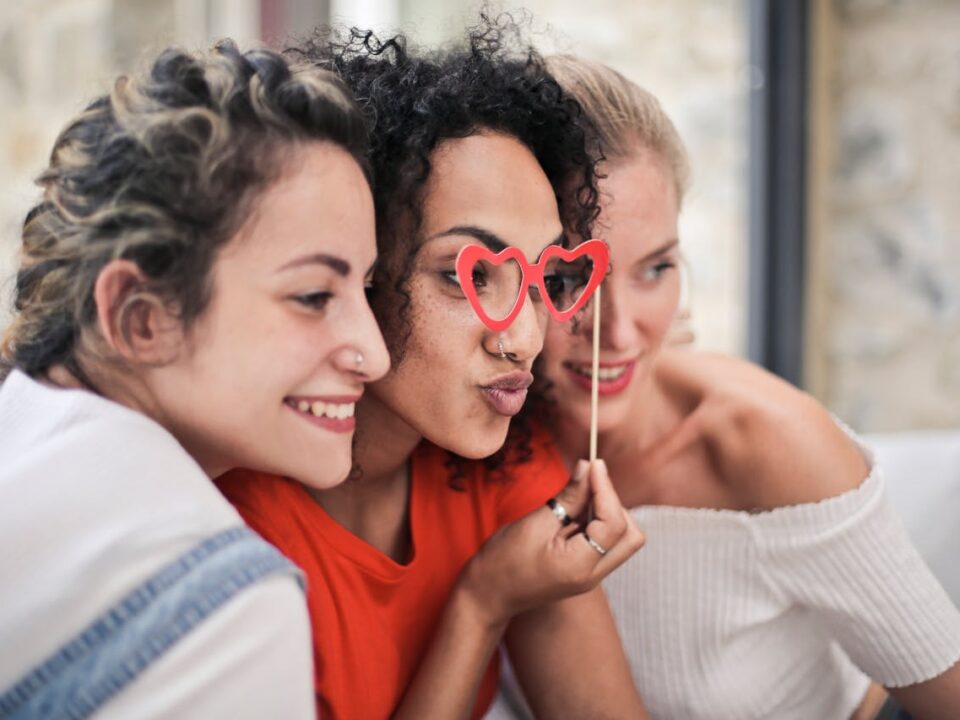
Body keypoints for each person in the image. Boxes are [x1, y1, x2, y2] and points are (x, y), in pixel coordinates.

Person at [216, 19, 647, 720]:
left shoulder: (501, 462)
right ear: (361, 267)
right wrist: (480, 606)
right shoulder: (237, 526)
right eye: (464, 274)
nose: (524, 340)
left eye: (543, 275)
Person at [509, 54, 960, 720]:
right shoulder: (489, 444)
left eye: (656, 267)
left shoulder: (768, 440)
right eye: (569, 279)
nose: (623, 333)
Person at [0, 41, 389, 718]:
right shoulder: (230, 610)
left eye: (368, 287)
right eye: (313, 296)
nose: (373, 354)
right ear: (142, 318)